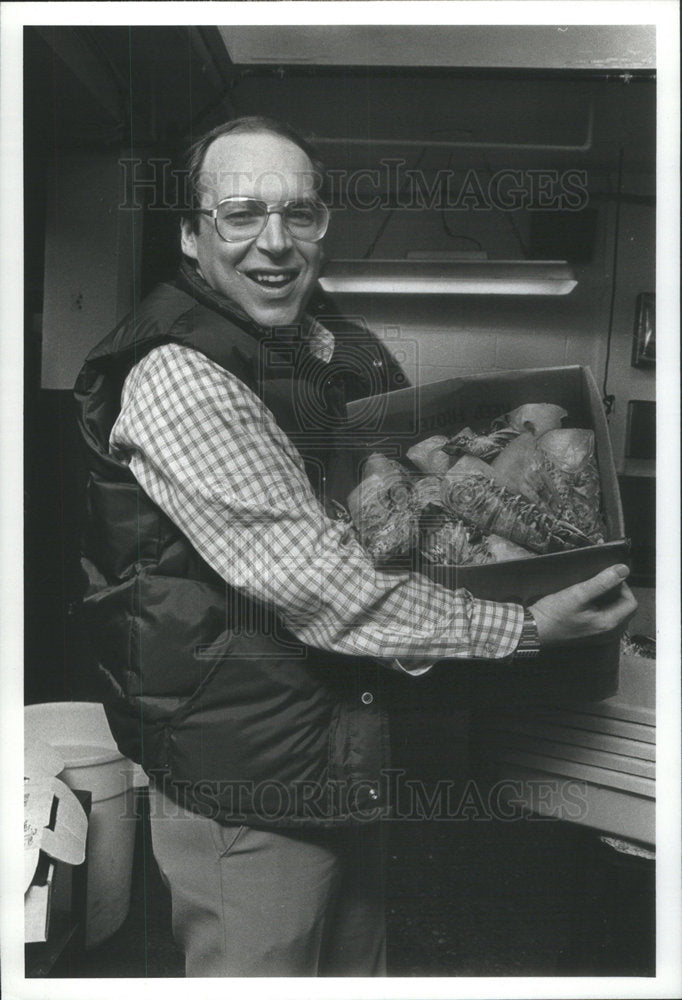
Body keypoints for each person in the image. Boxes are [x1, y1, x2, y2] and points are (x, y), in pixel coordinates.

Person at [74, 115, 637, 977]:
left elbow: (395, 510)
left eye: (300, 214)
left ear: (323, 224)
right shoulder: (182, 375)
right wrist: (527, 629)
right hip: (250, 790)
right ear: (191, 237)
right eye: (240, 215)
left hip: (339, 753)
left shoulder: (332, 345)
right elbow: (325, 587)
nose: (276, 242)